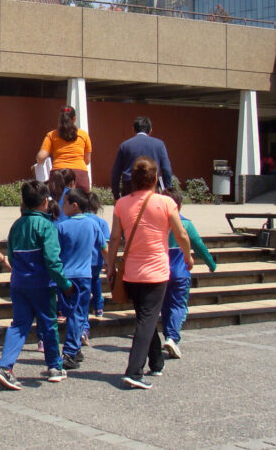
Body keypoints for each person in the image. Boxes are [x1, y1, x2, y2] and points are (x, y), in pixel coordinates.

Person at [105, 157, 192, 390]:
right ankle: (134, 371)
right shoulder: (165, 203)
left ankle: (156, 361)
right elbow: (181, 234)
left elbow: (114, 239)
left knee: (146, 316)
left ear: (133, 179)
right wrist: (188, 256)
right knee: (146, 319)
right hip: (156, 272)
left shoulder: (121, 204)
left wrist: (110, 265)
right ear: (156, 178)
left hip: (131, 273)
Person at [0, 181, 74, 391]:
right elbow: (52, 260)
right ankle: (54, 366)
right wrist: (65, 284)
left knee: (19, 325)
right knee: (48, 324)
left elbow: (10, 255)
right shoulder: (46, 226)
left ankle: (4, 367)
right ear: (46, 202)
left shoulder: (16, 225)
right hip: (42, 284)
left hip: (19, 283)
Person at [55, 189, 109, 370]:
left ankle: (72, 350)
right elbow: (104, 247)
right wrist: (110, 267)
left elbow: (55, 253)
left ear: (74, 205)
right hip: (84, 276)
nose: (62, 207)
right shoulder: (92, 224)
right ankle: (72, 349)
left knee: (72, 313)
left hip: (65, 277)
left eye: (65, 204)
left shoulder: (61, 226)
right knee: (79, 313)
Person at [160, 190, 216, 360]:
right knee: (179, 305)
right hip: (181, 271)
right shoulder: (186, 225)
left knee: (165, 305)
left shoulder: (158, 224)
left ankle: (168, 333)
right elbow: (199, 245)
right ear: (180, 205)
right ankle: (172, 336)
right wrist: (211, 264)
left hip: (160, 271)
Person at [110, 117, 174, 200]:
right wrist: (168, 192)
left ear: (133, 129)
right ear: (150, 130)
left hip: (129, 188)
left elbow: (115, 173)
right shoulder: (159, 145)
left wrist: (116, 195)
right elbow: (167, 170)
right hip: (151, 187)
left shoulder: (125, 146)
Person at [36, 106, 93, 192]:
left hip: (58, 173)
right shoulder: (84, 135)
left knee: (58, 202)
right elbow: (87, 160)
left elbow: (41, 157)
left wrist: (40, 164)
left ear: (60, 119)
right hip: (80, 173)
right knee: (82, 203)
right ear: (74, 119)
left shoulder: (51, 135)